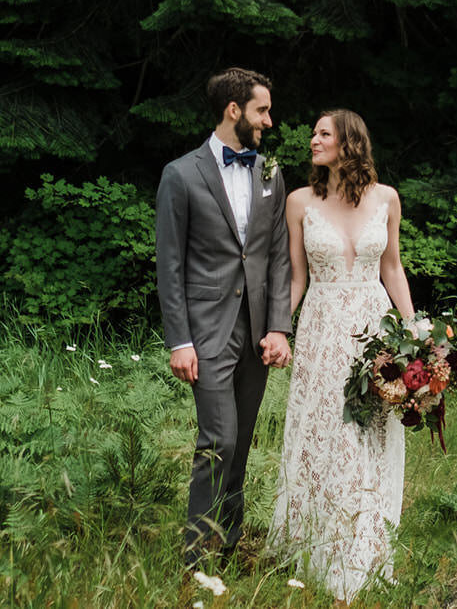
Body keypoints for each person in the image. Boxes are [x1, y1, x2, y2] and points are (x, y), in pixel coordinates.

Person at [270, 108, 415, 601]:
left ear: (350, 141)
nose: (313, 139)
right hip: (323, 328)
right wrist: (277, 330)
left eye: (323, 133)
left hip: (374, 326)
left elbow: (392, 269)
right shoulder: (298, 203)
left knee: (369, 433)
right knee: (328, 432)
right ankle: (319, 546)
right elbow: (296, 279)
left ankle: (363, 550)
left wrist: (413, 332)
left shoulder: (387, 199)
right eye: (313, 132)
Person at [156, 67, 294, 570]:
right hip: (206, 330)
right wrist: (179, 341)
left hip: (256, 328)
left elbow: (277, 256)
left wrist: (278, 326)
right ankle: (195, 556)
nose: (269, 120)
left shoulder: (270, 172)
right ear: (233, 110)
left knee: (242, 442)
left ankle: (230, 546)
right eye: (262, 110)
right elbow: (169, 266)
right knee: (219, 438)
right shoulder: (181, 174)